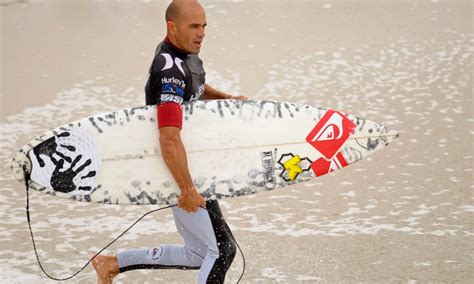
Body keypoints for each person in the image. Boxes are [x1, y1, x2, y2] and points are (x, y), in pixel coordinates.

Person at [92, 1, 247, 283]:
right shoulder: (169, 71)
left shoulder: (186, 53)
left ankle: (112, 264)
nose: (201, 33)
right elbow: (168, 136)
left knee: (200, 254)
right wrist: (186, 188)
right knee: (221, 250)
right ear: (172, 27)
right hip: (178, 168)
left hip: (192, 163)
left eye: (203, 27)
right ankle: (112, 264)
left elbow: (195, 86)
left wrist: (225, 99)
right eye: (194, 27)